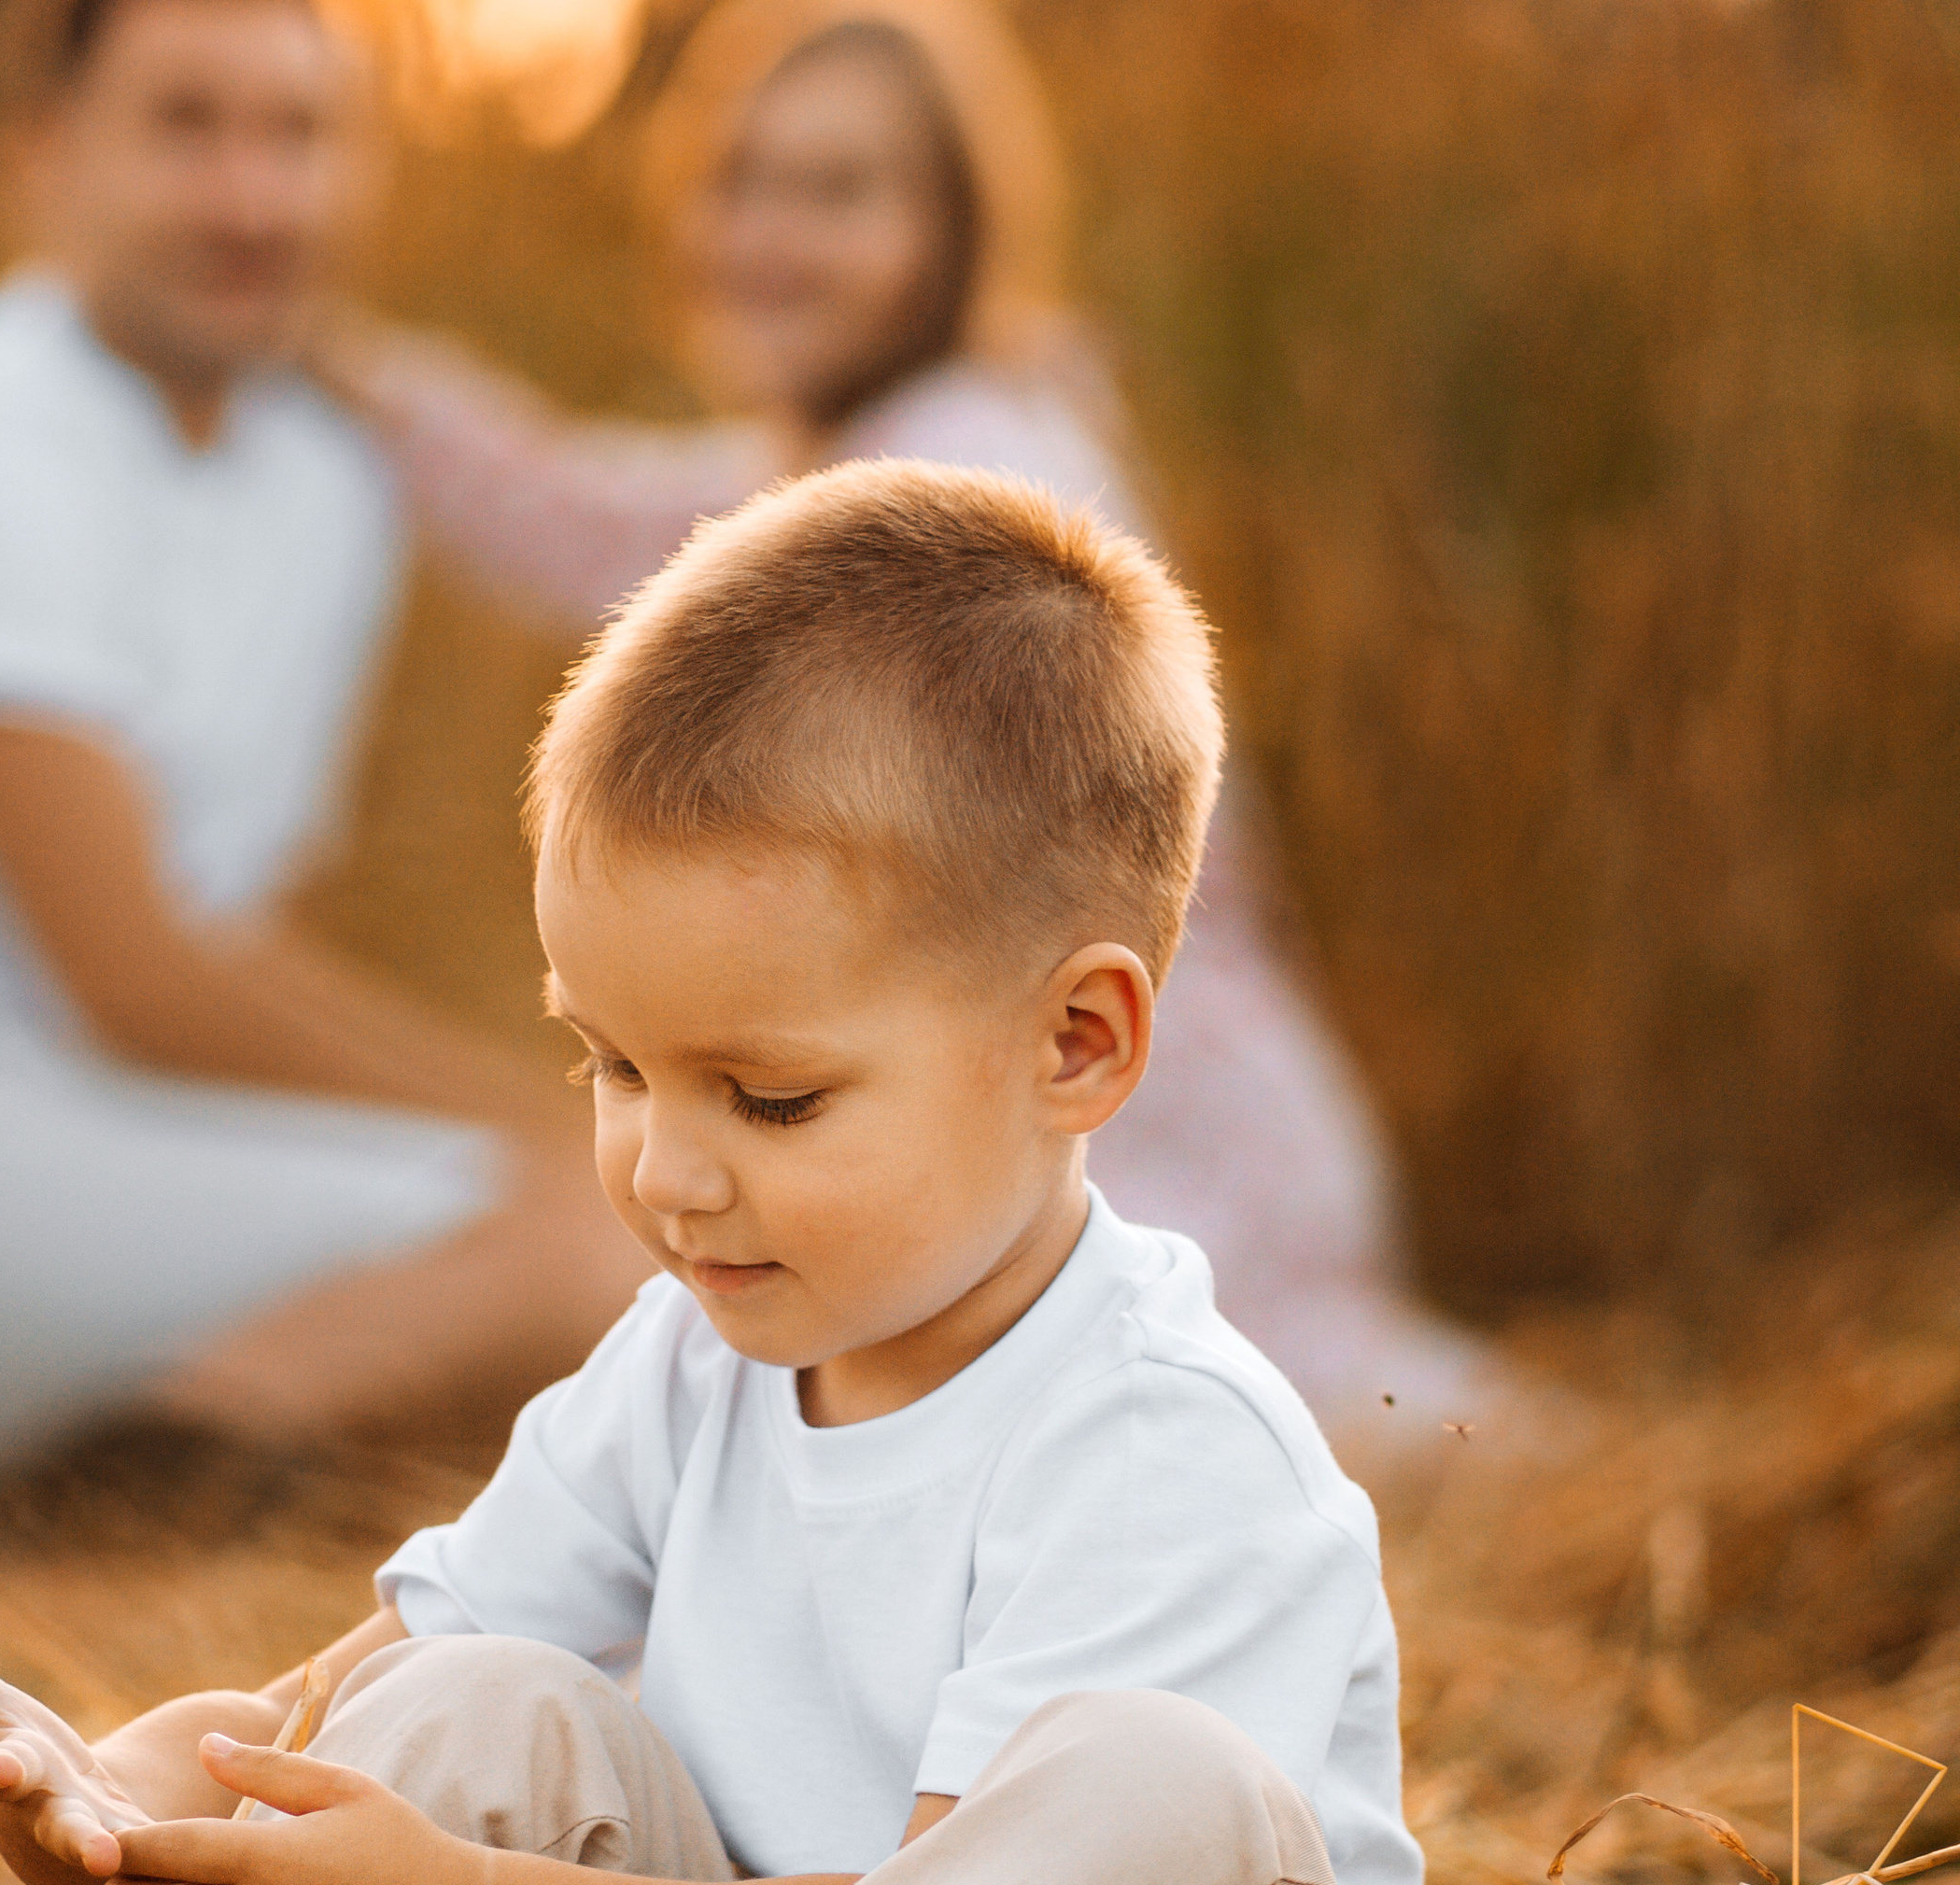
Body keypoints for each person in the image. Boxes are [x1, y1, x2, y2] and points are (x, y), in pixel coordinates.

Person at [0, 463, 1440, 1885]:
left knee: (1161, 1788)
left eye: (765, 1097)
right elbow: (365, 1710)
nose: (661, 1171)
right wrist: (143, 1798)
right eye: (606, 1062)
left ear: (1075, 1043)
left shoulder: (1168, 1446)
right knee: (478, 1699)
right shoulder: (685, 1360)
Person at [326, 0, 1491, 1449]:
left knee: (1323, 1439)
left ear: (950, 229)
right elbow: (593, 509)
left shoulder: (962, 470)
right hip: (1093, 1109)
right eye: (739, 180)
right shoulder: (877, 443)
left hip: (1138, 1129)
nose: (769, 232)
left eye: (837, 191)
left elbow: (654, 546)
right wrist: (363, 385)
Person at [0, 0, 649, 1510]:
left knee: (605, 1250)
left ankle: (118, 1474)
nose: (252, 198)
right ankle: (43, 1519)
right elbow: (137, 978)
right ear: (45, 153)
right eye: (186, 127)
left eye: (300, 134)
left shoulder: (319, 478)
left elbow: (231, 931)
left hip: (49, 1129)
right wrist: (579, 1126)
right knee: (593, 1247)